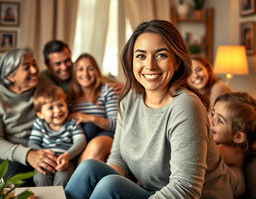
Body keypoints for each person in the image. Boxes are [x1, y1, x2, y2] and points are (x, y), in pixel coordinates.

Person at [65, 20, 233, 199]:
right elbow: (118, 159)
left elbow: (186, 189)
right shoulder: (129, 100)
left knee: (110, 185)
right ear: (132, 61)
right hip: (154, 193)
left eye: (161, 55)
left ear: (176, 62)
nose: (150, 65)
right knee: (89, 168)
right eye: (141, 55)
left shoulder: (185, 106)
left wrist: (112, 190)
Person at [0, 48, 58, 185]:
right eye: (26, 67)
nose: (34, 70)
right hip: (15, 151)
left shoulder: (44, 82)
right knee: (13, 179)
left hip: (48, 145)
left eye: (34, 63)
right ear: (10, 76)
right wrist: (28, 154)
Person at [28, 86, 86, 187]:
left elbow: (80, 141)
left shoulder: (72, 123)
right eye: (51, 108)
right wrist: (41, 154)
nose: (57, 110)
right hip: (45, 160)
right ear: (41, 114)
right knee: (41, 177)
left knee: (63, 179)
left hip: (65, 161)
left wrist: (68, 155)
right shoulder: (39, 124)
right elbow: (32, 143)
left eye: (60, 105)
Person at [69, 53, 118, 162]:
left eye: (90, 69)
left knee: (93, 135)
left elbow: (116, 125)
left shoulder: (107, 91)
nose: (85, 74)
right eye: (80, 69)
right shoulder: (70, 97)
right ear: (75, 73)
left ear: (96, 71)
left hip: (104, 134)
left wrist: (89, 118)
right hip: (79, 138)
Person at [210, 92, 256, 196]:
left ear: (238, 137)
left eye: (220, 121)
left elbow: (201, 153)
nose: (210, 120)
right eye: (212, 114)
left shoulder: (235, 151)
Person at [39, 40, 123, 94]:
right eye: (58, 64)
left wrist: (123, 87)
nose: (64, 67)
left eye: (67, 60)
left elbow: (103, 79)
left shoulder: (79, 70)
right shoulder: (42, 78)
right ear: (47, 64)